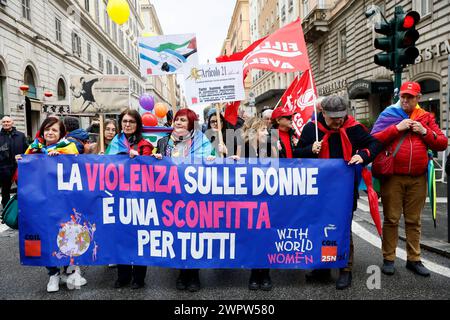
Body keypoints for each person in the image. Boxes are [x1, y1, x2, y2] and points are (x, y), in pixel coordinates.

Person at [297, 95, 382, 290]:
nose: (337, 121)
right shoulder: (312, 129)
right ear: (323, 113)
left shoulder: (353, 128)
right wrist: (310, 148)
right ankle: (324, 266)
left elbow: (375, 144)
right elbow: (296, 153)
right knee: (322, 228)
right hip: (318, 190)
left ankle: (345, 268)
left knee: (342, 230)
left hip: (344, 191)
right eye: (333, 117)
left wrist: (362, 155)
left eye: (340, 116)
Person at [371, 81, 447, 277]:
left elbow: (442, 143)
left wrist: (424, 131)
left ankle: (414, 259)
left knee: (414, 220)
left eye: (410, 97)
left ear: (418, 98)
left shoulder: (426, 118)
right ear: (399, 96)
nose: (406, 100)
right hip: (393, 177)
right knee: (392, 219)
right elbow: (373, 140)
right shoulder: (389, 115)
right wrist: (397, 128)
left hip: (418, 177)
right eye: (403, 96)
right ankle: (389, 258)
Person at [16, 117, 84, 293]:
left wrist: (60, 157)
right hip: (42, 204)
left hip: (65, 203)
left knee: (67, 235)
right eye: (47, 129)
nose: (50, 133)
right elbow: (21, 178)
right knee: (46, 236)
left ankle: (69, 271)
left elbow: (78, 161)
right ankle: (53, 274)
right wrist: (22, 161)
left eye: (54, 130)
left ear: (61, 133)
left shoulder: (69, 147)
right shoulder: (33, 148)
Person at [154, 108, 213, 292]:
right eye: (177, 120)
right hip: (171, 197)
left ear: (191, 124)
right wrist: (155, 159)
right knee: (177, 237)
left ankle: (194, 275)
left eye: (183, 120)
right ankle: (181, 273)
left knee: (193, 237)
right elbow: (154, 167)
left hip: (195, 198)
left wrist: (214, 158)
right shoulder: (163, 142)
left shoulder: (202, 141)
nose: (178, 123)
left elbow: (213, 164)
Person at [106, 109, 154, 289]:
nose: (127, 124)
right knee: (120, 237)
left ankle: (139, 277)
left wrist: (139, 158)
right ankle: (123, 275)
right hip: (119, 198)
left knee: (140, 237)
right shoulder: (114, 144)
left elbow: (152, 171)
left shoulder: (145, 144)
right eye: (124, 121)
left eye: (131, 122)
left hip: (140, 199)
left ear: (138, 124)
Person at [240, 117, 273, 290]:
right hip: (248, 201)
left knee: (266, 236)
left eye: (267, 130)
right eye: (263, 130)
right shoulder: (241, 149)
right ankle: (254, 272)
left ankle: (266, 273)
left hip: (268, 200)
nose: (267, 133)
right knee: (253, 237)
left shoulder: (272, 147)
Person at [0, 116, 27, 213]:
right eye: (4, 122)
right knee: (5, 191)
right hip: (3, 168)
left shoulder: (20, 136)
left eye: (8, 121)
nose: (6, 123)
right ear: (1, 123)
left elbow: (27, 150)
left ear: (12, 123)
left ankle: (22, 209)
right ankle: (6, 211)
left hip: (19, 168)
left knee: (22, 189)